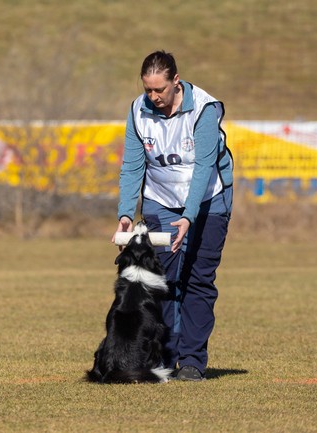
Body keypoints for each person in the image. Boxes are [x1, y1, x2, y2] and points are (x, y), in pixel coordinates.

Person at [113, 50, 233, 381]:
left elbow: (204, 168)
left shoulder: (204, 110)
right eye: (148, 89)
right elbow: (132, 165)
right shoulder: (138, 111)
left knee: (198, 279)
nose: (153, 96)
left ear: (175, 82)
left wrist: (189, 216)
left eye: (160, 90)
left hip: (207, 200)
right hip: (161, 199)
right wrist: (126, 213)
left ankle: (192, 360)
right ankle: (164, 355)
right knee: (163, 279)